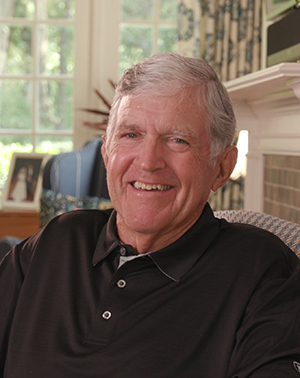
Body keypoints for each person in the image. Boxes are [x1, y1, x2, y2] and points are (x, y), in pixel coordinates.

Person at [0, 53, 300, 378]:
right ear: (106, 152)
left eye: (177, 140)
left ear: (222, 168)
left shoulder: (263, 269)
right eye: (130, 135)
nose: (148, 161)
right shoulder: (58, 238)